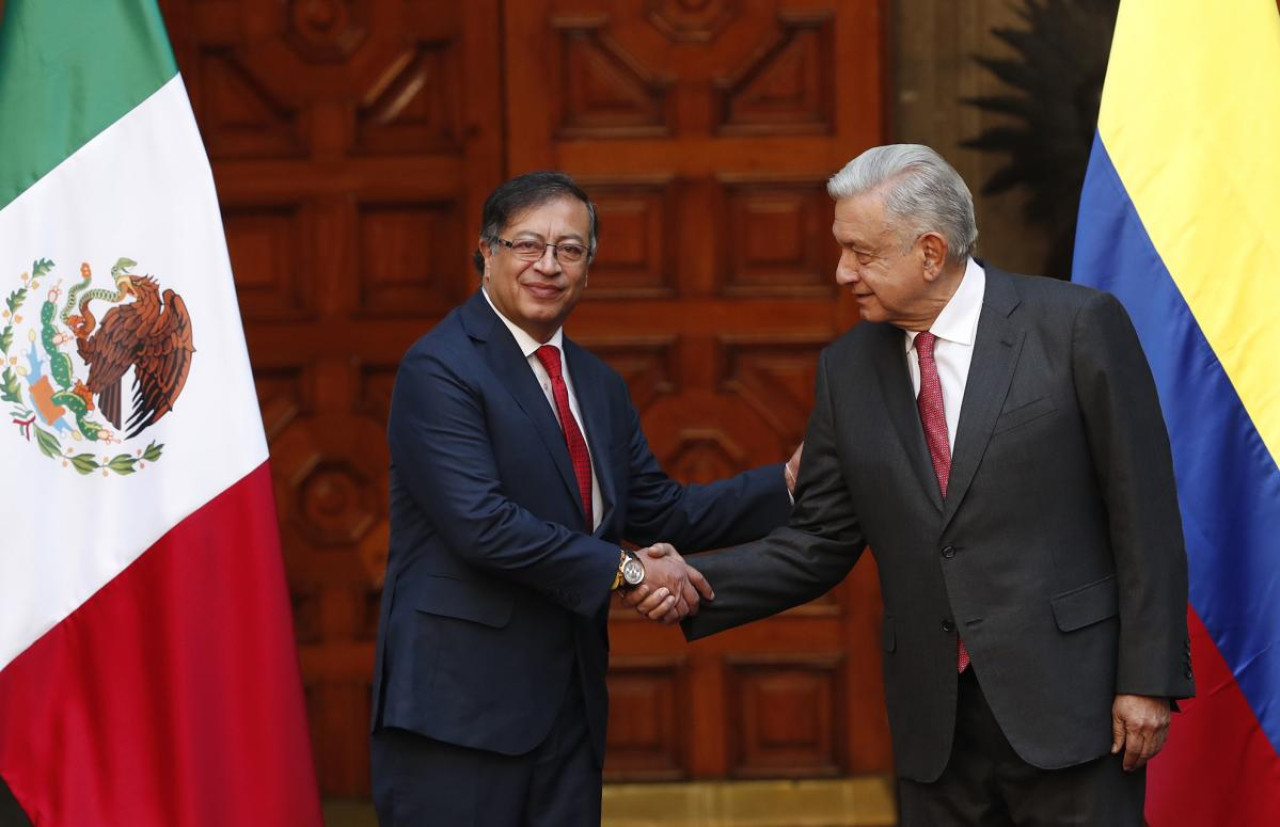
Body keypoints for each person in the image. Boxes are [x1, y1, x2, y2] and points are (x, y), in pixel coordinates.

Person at [627, 145, 1195, 826]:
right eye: (843, 251)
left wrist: (1147, 680)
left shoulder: (1075, 327)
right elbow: (819, 540)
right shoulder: (847, 370)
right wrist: (693, 582)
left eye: (861, 253)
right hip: (937, 725)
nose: (842, 272)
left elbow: (1145, 516)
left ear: (931, 251)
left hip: (1074, 705)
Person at [370, 170, 798, 826]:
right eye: (527, 245)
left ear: (589, 269)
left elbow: (662, 509)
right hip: (459, 715)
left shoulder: (596, 384)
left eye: (570, 250)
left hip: (567, 710)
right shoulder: (441, 368)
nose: (549, 264)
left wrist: (786, 485)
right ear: (486, 252)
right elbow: (481, 524)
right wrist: (630, 572)